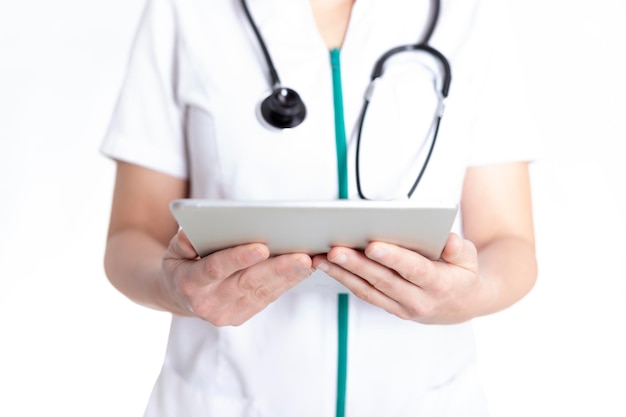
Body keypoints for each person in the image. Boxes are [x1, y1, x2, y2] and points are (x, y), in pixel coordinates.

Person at [101, 0, 538, 416]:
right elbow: (131, 236)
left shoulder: (470, 13)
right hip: (222, 399)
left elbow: (509, 242)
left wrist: (468, 295)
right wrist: (174, 288)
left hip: (425, 401)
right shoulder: (187, 10)